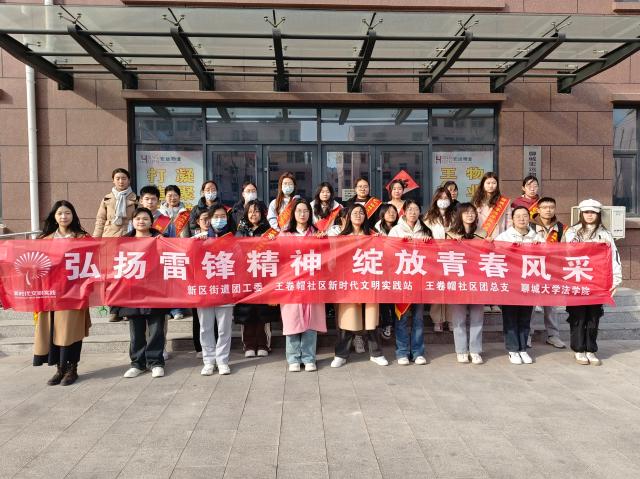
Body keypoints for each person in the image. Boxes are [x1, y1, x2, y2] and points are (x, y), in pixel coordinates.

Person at [33, 201, 92, 386]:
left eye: (67, 213)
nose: (64, 217)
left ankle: (72, 369)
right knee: (53, 330)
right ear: (54, 216)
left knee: (71, 331)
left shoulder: (83, 238)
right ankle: (60, 369)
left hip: (74, 292)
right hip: (50, 293)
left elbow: (92, 263)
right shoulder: (44, 240)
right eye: (60, 213)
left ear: (73, 215)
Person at [563, 199, 622, 366]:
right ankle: (579, 349)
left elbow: (614, 257)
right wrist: (594, 244)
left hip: (598, 282)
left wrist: (616, 280)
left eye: (593, 212)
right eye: (586, 212)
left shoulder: (605, 233)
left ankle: (591, 349)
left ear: (598, 214)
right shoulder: (572, 232)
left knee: (593, 316)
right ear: (581, 214)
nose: (590, 215)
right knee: (578, 316)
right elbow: (569, 251)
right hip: (577, 280)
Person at [330, 204, 389, 369]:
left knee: (371, 320)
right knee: (347, 319)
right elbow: (333, 262)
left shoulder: (373, 236)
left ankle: (376, 354)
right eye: (355, 212)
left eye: (361, 213)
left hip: (369, 282)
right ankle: (341, 354)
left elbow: (384, 257)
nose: (358, 215)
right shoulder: (341, 237)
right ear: (348, 216)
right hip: (349, 284)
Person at [117, 207, 167, 378]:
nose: (141, 221)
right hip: (132, 292)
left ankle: (156, 362)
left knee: (156, 329)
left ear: (151, 221)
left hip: (156, 291)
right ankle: (137, 363)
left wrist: (162, 245)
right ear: (132, 221)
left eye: (145, 218)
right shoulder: (124, 242)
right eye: (138, 218)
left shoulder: (161, 239)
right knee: (136, 331)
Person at [280, 199, 327, 372]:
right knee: (292, 321)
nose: (302, 214)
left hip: (312, 283)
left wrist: (324, 241)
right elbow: (278, 259)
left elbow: (327, 257)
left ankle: (309, 357)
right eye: (299, 211)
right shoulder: (284, 235)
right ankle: (293, 358)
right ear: (293, 214)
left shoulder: (317, 234)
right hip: (291, 284)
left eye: (306, 210)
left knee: (311, 321)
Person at [388, 199, 432, 366]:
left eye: (416, 209)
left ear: (420, 212)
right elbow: (388, 253)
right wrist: (399, 244)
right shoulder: (395, 230)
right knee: (402, 318)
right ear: (404, 212)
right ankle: (402, 352)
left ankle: (418, 352)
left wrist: (429, 243)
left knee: (418, 319)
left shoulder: (425, 230)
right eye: (410, 209)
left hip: (419, 281)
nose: (413, 212)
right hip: (402, 281)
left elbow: (433, 256)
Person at [235, 200, 280, 357]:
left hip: (264, 278)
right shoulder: (240, 232)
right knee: (246, 313)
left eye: (256, 211)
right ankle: (249, 345)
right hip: (245, 278)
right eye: (250, 211)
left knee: (263, 313)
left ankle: (263, 344)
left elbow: (277, 252)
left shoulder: (270, 232)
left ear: (262, 213)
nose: (253, 214)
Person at [93, 168, 137, 322]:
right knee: (111, 275)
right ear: (113, 180)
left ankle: (127, 308)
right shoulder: (107, 199)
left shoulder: (136, 199)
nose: (121, 181)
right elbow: (100, 220)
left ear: (129, 180)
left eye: (124, 178)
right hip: (109, 238)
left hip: (128, 239)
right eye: (117, 178)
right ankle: (114, 309)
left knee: (127, 274)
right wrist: (96, 240)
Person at [495, 206, 538, 365]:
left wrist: (538, 248)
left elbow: (547, 257)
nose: (521, 219)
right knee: (510, 317)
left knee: (525, 317)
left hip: (529, 284)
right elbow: (495, 256)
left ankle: (523, 348)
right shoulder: (504, 237)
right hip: (510, 285)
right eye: (518, 216)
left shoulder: (537, 237)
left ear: (529, 218)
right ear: (512, 219)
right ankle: (513, 349)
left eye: (525, 215)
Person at [198, 204, 236, 376]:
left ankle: (222, 361)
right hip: (204, 290)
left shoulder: (234, 238)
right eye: (216, 217)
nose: (219, 220)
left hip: (226, 290)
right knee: (205, 328)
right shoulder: (200, 238)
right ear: (210, 219)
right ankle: (208, 361)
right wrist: (198, 243)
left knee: (224, 329)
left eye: (223, 217)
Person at [446, 203, 486, 365]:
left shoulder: (483, 234)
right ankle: (461, 350)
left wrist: (490, 243)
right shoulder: (450, 234)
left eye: (472, 212)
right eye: (466, 212)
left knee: (477, 317)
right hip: (458, 281)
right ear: (460, 215)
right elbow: (443, 255)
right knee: (459, 318)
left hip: (477, 280)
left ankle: (475, 350)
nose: (470, 215)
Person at [529, 196, 566, 349]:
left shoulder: (561, 228)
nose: (548, 210)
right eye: (544, 207)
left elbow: (566, 248)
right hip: (532, 269)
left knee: (551, 305)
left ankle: (553, 335)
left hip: (552, 270)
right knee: (530, 304)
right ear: (538, 210)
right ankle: (527, 335)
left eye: (551, 207)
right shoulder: (529, 226)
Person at [424, 187, 456, 332]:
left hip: (451, 257)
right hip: (434, 258)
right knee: (437, 288)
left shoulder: (454, 216)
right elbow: (424, 234)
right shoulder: (428, 217)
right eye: (441, 198)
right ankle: (437, 320)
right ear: (435, 199)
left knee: (450, 288)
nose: (443, 200)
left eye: (446, 198)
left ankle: (450, 319)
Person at [159, 184, 190, 321]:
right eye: (169, 195)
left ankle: (178, 309)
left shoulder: (185, 213)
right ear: (165, 197)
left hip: (181, 250)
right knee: (165, 281)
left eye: (175, 195)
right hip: (163, 251)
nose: (172, 198)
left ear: (180, 196)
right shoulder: (160, 213)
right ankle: (166, 309)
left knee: (178, 281)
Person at [374, 203, 399, 340]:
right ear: (382, 214)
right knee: (384, 296)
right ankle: (387, 323)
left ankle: (395, 322)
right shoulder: (375, 229)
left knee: (395, 296)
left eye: (394, 211)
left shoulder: (402, 227)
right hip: (381, 268)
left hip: (398, 268)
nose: (391, 214)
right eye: (388, 212)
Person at [472, 172, 510, 240]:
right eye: (488, 183)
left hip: (499, 237)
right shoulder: (476, 201)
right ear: (483, 184)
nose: (491, 186)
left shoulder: (503, 201)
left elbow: (509, 221)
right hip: (481, 236)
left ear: (497, 184)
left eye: (494, 183)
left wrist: (508, 237)